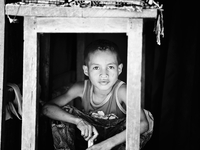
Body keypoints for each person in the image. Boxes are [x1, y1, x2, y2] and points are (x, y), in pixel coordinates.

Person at [42, 39, 151, 150]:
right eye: (96, 67)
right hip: (88, 138)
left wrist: (108, 144)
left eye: (110, 67)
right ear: (86, 70)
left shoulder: (122, 91)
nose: (104, 74)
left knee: (146, 117)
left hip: (117, 142)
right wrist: (78, 121)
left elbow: (144, 124)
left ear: (119, 69)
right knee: (62, 112)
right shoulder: (81, 88)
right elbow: (47, 108)